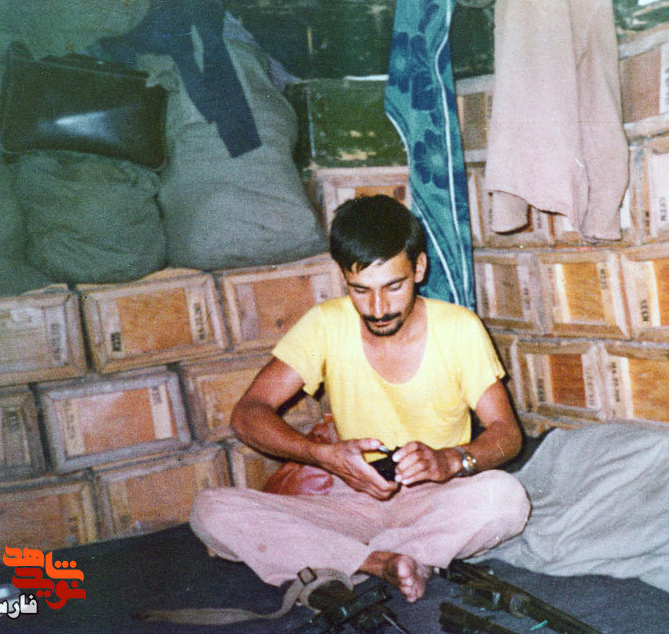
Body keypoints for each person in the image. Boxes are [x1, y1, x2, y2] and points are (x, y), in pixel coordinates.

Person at [189, 195, 530, 603]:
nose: (379, 308)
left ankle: (345, 557)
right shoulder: (325, 324)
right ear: (343, 278)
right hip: (350, 500)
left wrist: (451, 460)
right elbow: (248, 413)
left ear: (419, 268)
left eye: (394, 286)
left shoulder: (460, 329)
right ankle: (382, 562)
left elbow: (507, 433)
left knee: (505, 498)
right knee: (209, 510)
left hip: (433, 498)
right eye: (361, 290)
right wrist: (323, 456)